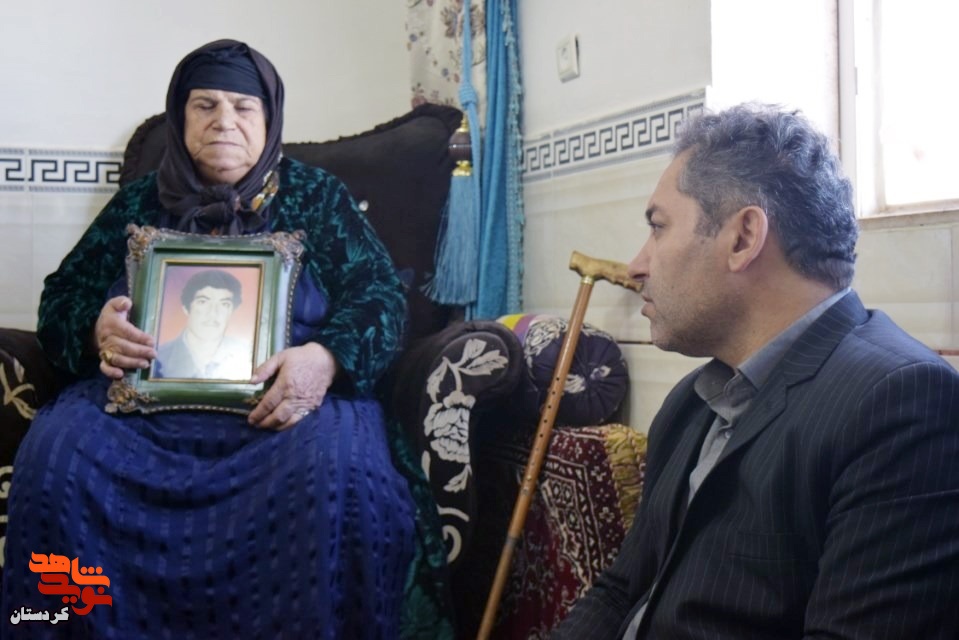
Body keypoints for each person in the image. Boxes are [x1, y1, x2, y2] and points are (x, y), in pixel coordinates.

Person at [2, 39, 441, 639]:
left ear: (270, 118)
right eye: (205, 105)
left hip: (288, 413)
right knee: (57, 459)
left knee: (343, 474)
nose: (224, 121)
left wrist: (325, 357)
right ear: (180, 117)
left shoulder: (318, 198)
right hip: (137, 417)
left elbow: (381, 297)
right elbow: (62, 297)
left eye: (243, 106)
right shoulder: (137, 202)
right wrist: (95, 326)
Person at [552, 104, 959, 639]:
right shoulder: (692, 401)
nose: (636, 265)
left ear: (743, 238)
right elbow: (622, 590)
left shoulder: (903, 402)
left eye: (658, 227)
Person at [153, 268, 252, 379]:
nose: (213, 313)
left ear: (232, 311)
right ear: (186, 308)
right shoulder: (157, 357)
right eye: (203, 302)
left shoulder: (248, 354)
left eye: (224, 304)